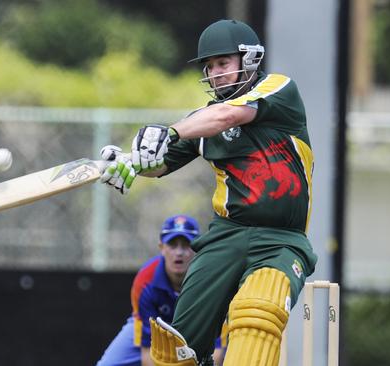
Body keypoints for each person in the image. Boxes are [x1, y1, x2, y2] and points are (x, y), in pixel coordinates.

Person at [98, 19, 317, 366]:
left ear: (249, 60)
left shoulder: (278, 89)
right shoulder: (202, 121)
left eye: (223, 63)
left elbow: (227, 116)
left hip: (280, 240)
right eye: (210, 67)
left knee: (256, 316)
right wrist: (129, 163)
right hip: (225, 236)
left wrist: (169, 132)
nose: (215, 74)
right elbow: (161, 164)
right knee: (176, 346)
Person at [97, 214, 226, 366]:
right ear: (161, 248)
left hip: (197, 327)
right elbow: (147, 352)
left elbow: (216, 350)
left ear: (198, 248)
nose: (179, 252)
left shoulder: (211, 281)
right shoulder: (145, 282)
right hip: (156, 329)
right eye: (172, 244)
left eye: (186, 245)